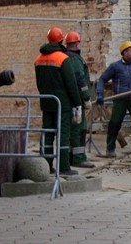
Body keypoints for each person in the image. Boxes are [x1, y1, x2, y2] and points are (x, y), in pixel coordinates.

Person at [34, 27, 83, 176]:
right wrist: (77, 103)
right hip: (63, 104)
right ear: (61, 40)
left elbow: (39, 83)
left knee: (47, 133)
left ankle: (46, 166)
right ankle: (63, 167)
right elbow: (71, 83)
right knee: (63, 134)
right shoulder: (62, 59)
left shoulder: (38, 59)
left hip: (46, 102)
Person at [96, 40, 131, 160]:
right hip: (120, 99)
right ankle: (110, 149)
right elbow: (102, 79)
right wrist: (99, 94)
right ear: (124, 53)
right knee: (114, 124)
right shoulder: (115, 67)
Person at [65, 31, 95, 169]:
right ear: (77, 43)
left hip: (69, 100)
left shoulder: (65, 57)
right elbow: (80, 80)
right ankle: (79, 158)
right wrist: (86, 98)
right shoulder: (76, 59)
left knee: (71, 129)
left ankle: (71, 156)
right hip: (77, 101)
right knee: (79, 129)